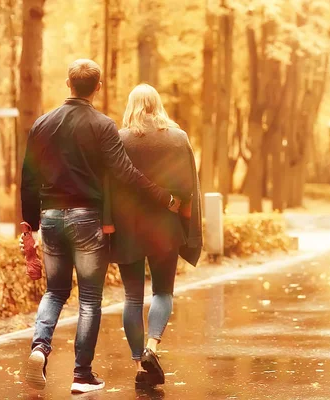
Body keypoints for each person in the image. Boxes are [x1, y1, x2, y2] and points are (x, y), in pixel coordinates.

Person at [20, 60, 181, 394]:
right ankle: (81, 375)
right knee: (90, 300)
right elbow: (124, 173)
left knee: (55, 291)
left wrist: (30, 226)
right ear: (98, 87)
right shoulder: (102, 125)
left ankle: (39, 346)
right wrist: (163, 198)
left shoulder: (41, 124)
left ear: (67, 83)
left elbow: (28, 179)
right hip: (86, 219)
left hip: (50, 218)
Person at [109, 84, 202, 388]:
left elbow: (107, 188)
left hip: (128, 229)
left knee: (132, 297)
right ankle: (153, 347)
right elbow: (188, 189)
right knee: (163, 292)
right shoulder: (178, 139)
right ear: (158, 104)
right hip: (165, 227)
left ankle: (139, 365)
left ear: (131, 105)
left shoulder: (119, 140)